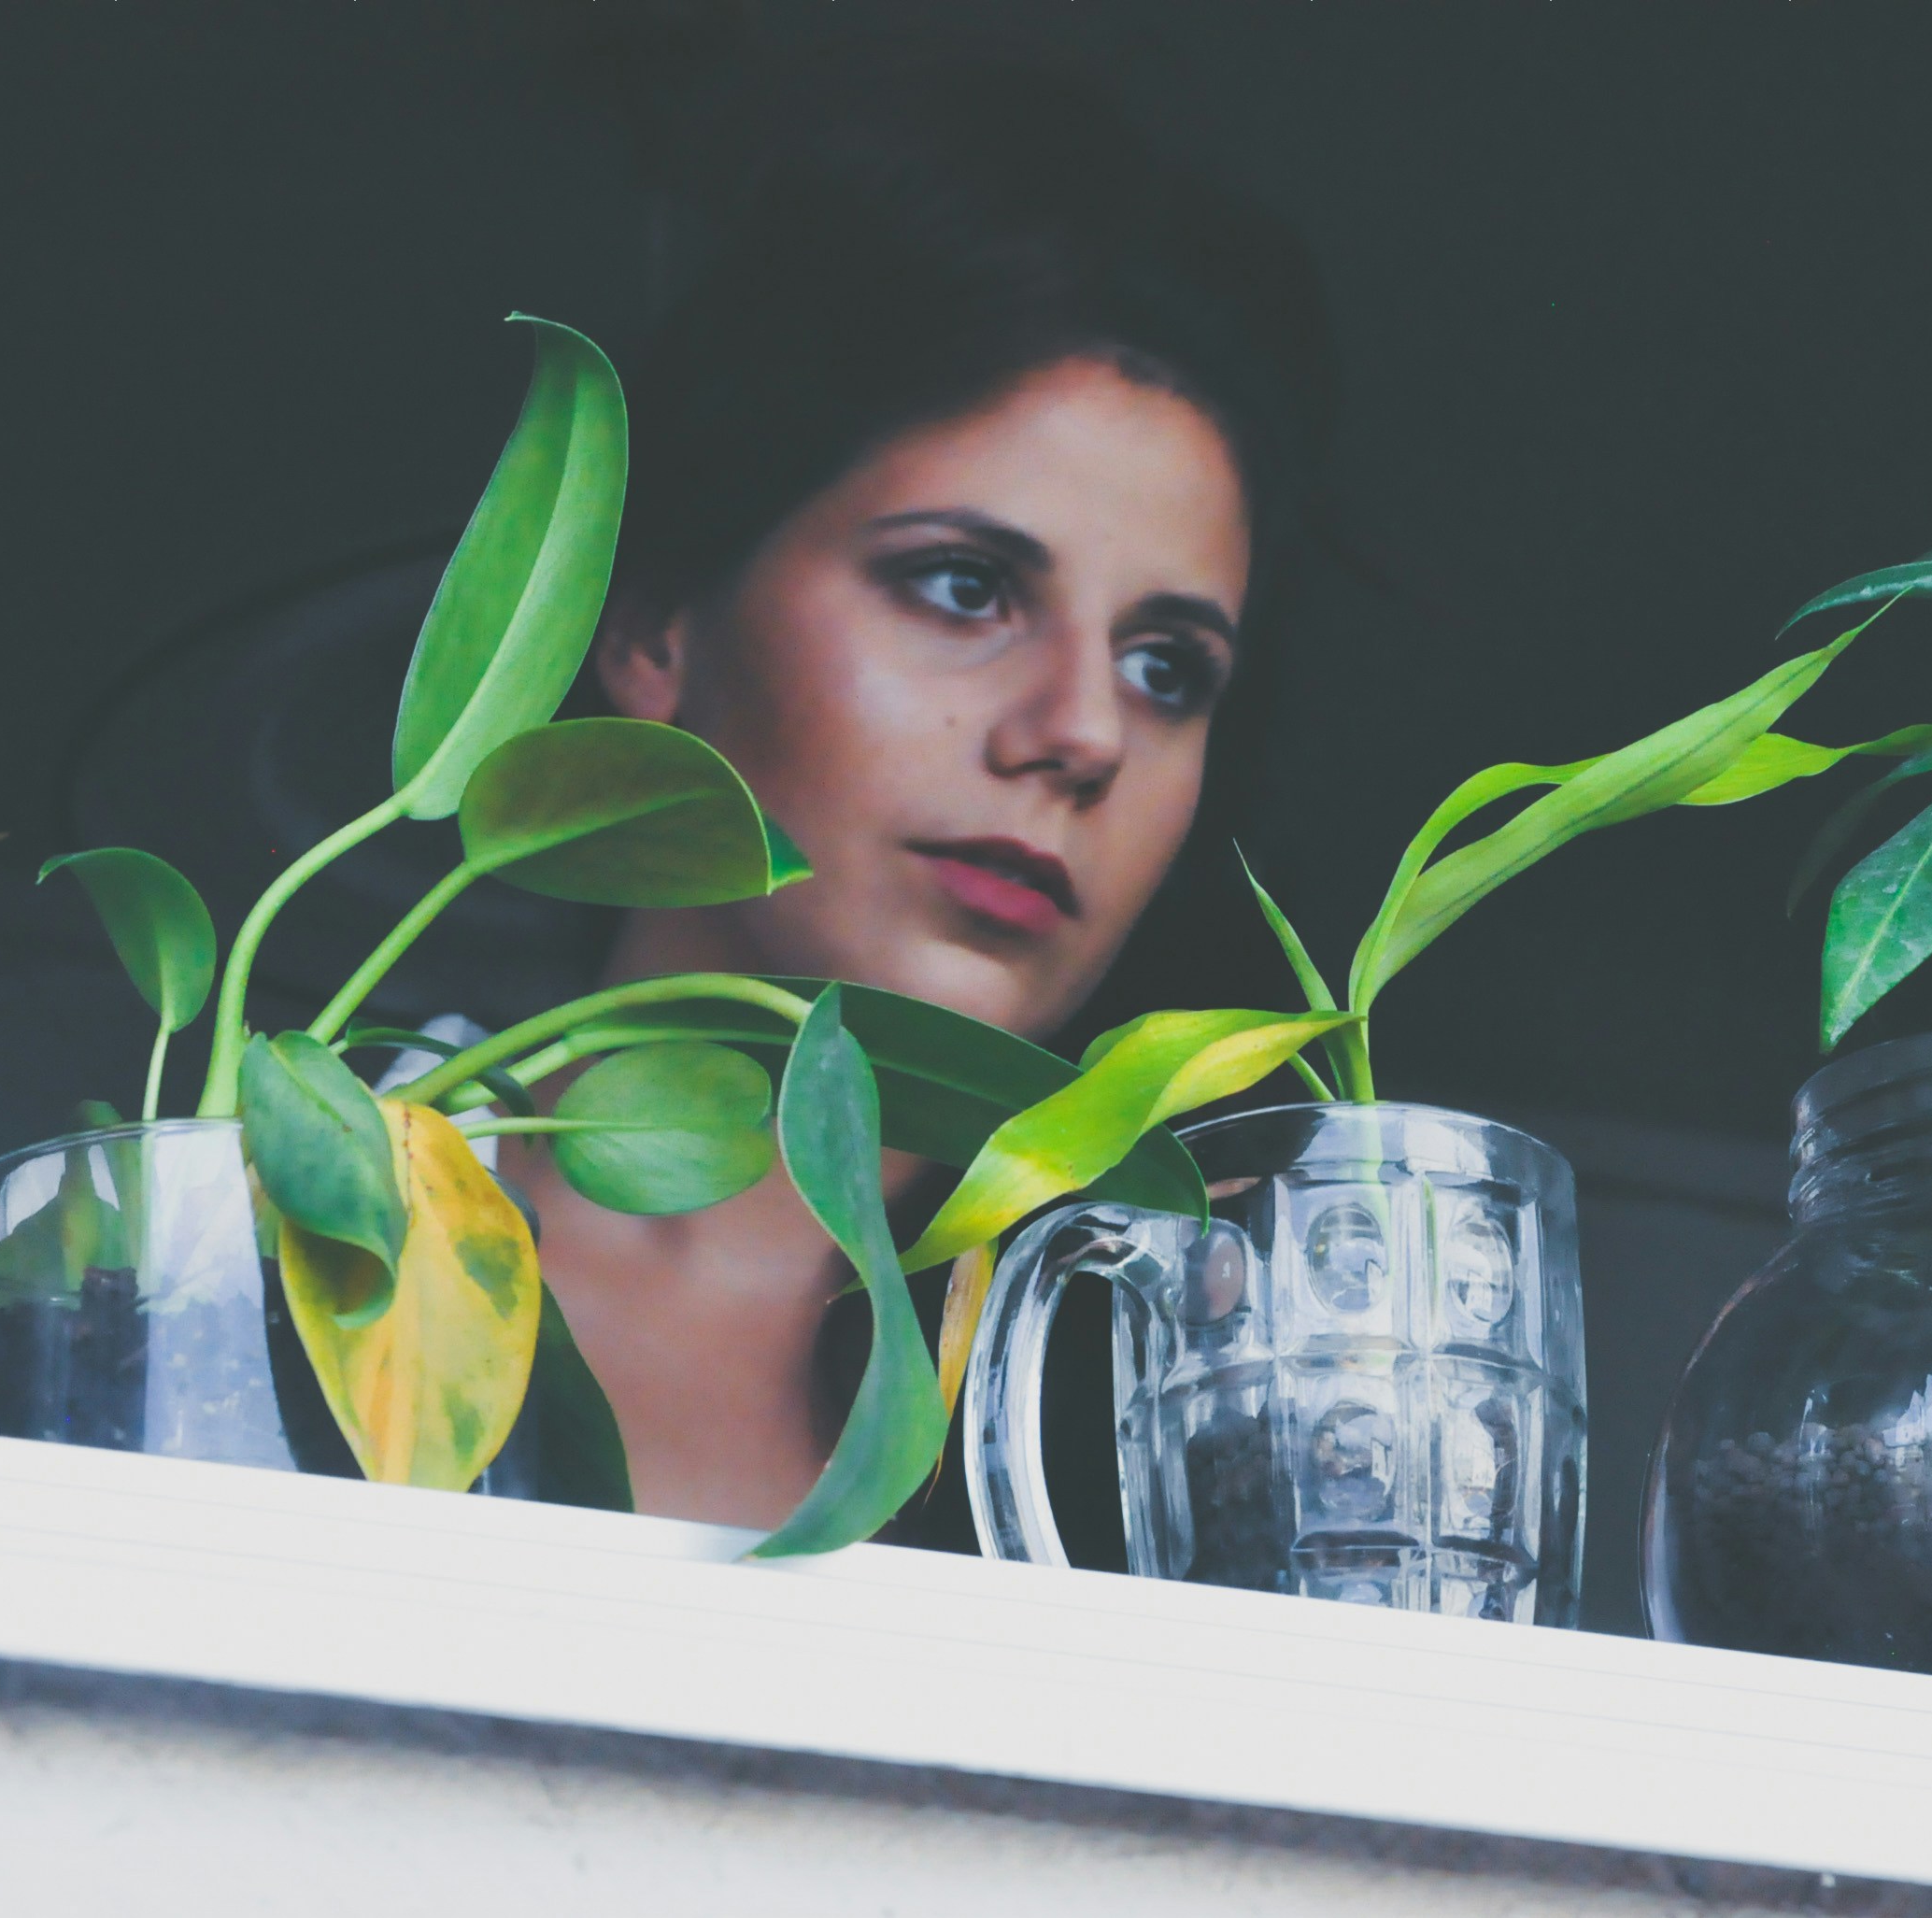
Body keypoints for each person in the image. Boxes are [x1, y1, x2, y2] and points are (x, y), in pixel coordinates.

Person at [500, 60, 1335, 1530]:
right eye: (965, 586)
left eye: (1166, 669)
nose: (1083, 732)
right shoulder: (233, 1253)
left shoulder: (1195, 1427)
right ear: (652, 627)